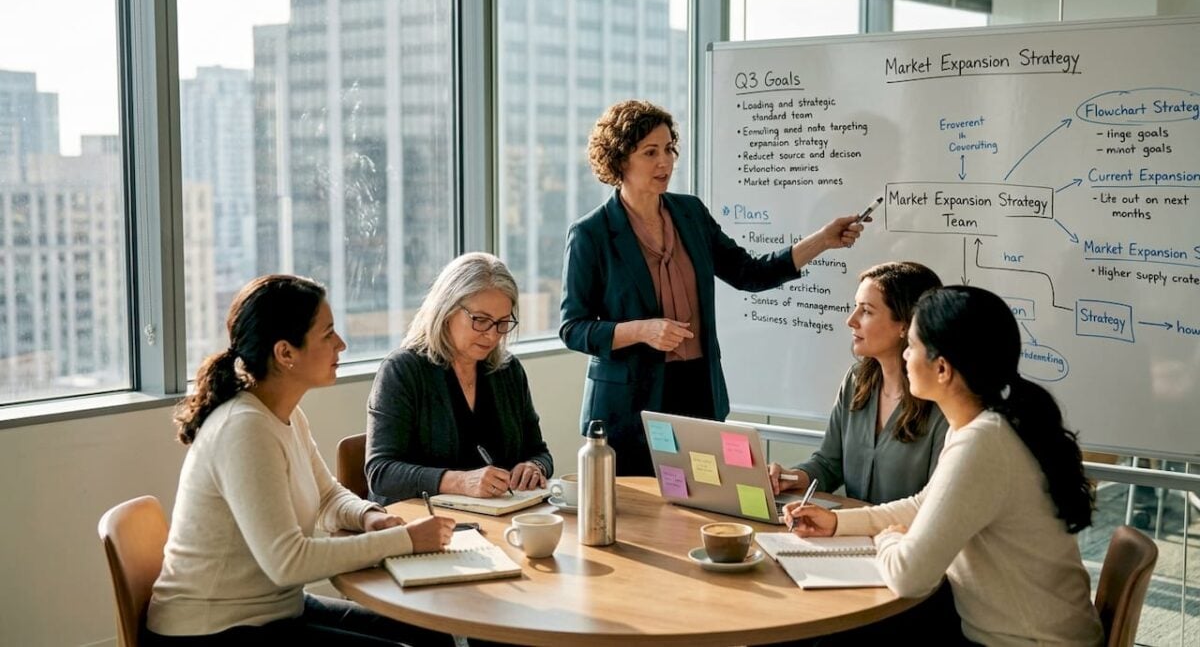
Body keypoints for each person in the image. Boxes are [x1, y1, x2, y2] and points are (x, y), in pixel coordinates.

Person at [561, 99, 866, 476]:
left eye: (669, 149)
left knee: (701, 499)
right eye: (650, 152)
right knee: (635, 508)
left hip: (697, 392)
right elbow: (573, 328)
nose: (665, 162)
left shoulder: (690, 213)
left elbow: (750, 273)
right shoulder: (590, 234)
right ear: (620, 159)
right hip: (627, 406)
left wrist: (822, 240)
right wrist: (642, 330)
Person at [146, 275, 456, 645]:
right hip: (214, 628)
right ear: (285, 353)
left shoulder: (285, 414)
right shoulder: (244, 429)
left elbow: (327, 496)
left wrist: (369, 516)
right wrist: (405, 540)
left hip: (274, 611)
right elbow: (288, 562)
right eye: (328, 334)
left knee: (432, 636)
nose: (341, 344)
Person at [785, 285, 1103, 646]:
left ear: (941, 368)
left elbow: (908, 577)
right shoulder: (982, 425)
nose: (905, 355)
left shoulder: (984, 442)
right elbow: (923, 504)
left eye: (911, 346)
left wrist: (887, 538)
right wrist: (838, 522)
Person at [367, 252, 553, 504]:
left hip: (496, 515)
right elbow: (381, 473)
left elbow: (539, 452)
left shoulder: (508, 370)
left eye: (502, 323)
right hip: (420, 518)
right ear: (447, 311)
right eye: (481, 320)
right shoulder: (402, 370)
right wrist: (460, 482)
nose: (492, 335)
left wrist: (534, 467)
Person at [767, 261, 948, 504]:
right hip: (850, 526)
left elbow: (936, 503)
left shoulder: (943, 402)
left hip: (902, 529)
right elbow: (829, 464)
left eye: (867, 311)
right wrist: (792, 477)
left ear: (906, 325)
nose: (851, 320)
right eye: (856, 307)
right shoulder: (856, 380)